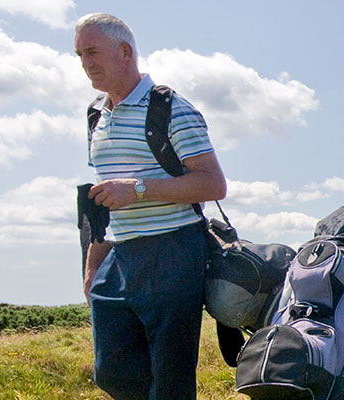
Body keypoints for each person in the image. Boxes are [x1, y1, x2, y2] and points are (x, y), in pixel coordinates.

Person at [75, 13, 226, 400]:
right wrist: (93, 265)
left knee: (170, 379)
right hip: (119, 256)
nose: (85, 63)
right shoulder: (96, 116)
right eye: (79, 55)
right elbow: (103, 199)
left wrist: (138, 190)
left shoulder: (171, 108)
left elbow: (213, 183)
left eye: (92, 51)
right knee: (112, 371)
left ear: (125, 52)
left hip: (173, 251)